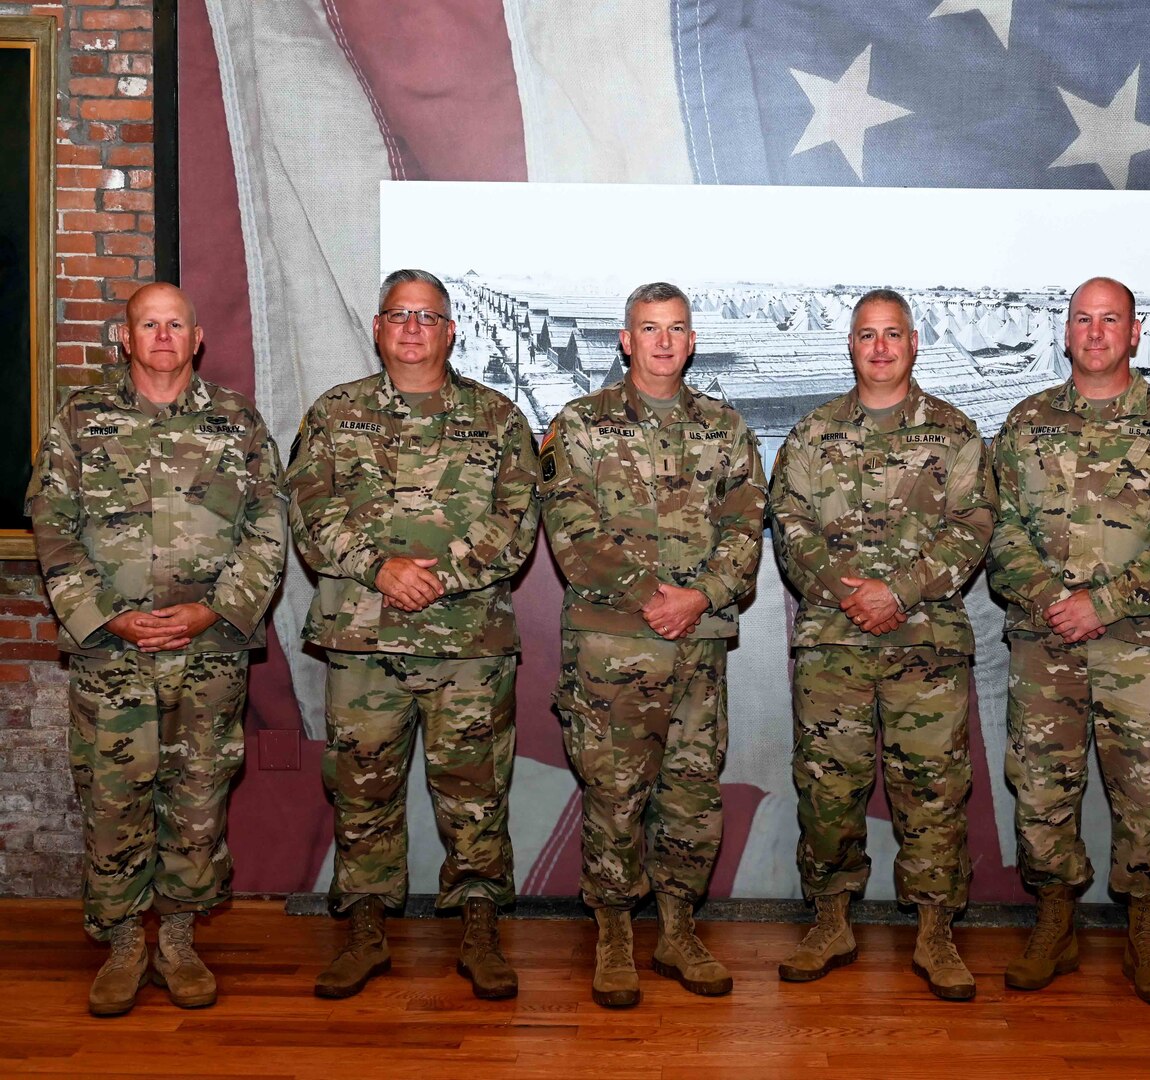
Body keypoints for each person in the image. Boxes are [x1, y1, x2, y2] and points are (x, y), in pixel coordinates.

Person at [26, 282, 287, 1016]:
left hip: (208, 654)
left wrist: (216, 609)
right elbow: (51, 522)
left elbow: (269, 526)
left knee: (198, 797)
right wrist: (105, 617)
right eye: (150, 324)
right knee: (113, 801)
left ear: (198, 337)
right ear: (126, 338)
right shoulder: (81, 420)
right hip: (113, 656)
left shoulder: (237, 422)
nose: (164, 336)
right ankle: (121, 942)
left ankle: (176, 935)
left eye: (176, 324)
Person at [286, 268, 538, 1000]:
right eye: (399, 315)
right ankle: (365, 929)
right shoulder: (335, 414)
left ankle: (480, 928)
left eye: (428, 317)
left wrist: (443, 575)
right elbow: (308, 512)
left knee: (476, 794)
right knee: (362, 792)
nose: (413, 328)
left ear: (452, 330)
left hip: (468, 645)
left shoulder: (496, 418)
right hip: (364, 641)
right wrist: (380, 568)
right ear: (377, 327)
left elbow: (517, 521)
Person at [989, 277, 1150, 1005]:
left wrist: (1106, 603)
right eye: (1082, 320)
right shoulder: (1025, 423)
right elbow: (996, 530)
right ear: (1065, 333)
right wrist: (1056, 600)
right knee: (1041, 789)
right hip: (1042, 642)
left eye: (1109, 319)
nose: (1094, 332)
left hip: (1140, 647)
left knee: (1148, 788)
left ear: (1135, 331)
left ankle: (1145, 928)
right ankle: (1054, 918)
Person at [538, 281, 765, 1008]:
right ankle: (612, 933)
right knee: (613, 794)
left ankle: (677, 928)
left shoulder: (727, 430)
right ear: (625, 341)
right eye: (649, 328)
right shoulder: (580, 423)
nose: (663, 341)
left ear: (691, 341)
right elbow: (572, 529)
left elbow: (745, 528)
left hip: (697, 649)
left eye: (676, 329)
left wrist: (697, 597)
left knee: (692, 795)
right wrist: (649, 597)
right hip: (612, 649)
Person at [768, 288, 993, 1001]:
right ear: (851, 345)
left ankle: (934, 929)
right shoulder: (812, 434)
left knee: (932, 791)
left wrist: (901, 590)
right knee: (829, 790)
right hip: (833, 645)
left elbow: (973, 527)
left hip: (924, 645)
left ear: (915, 341)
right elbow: (791, 522)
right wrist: (846, 590)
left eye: (892, 334)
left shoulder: (955, 434)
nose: (880, 347)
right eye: (867, 335)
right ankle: (830, 919)